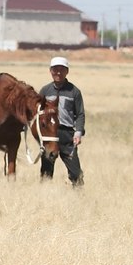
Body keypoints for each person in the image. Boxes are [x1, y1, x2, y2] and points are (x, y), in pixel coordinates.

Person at [39, 55, 86, 186]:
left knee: (76, 173)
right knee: (46, 172)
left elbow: (80, 114)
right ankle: (44, 197)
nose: (58, 73)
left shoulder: (74, 91)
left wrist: (78, 133)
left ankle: (78, 197)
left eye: (61, 69)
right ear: (50, 71)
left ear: (67, 71)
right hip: (50, 136)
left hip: (67, 135)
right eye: (55, 70)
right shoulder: (45, 91)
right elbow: (38, 113)